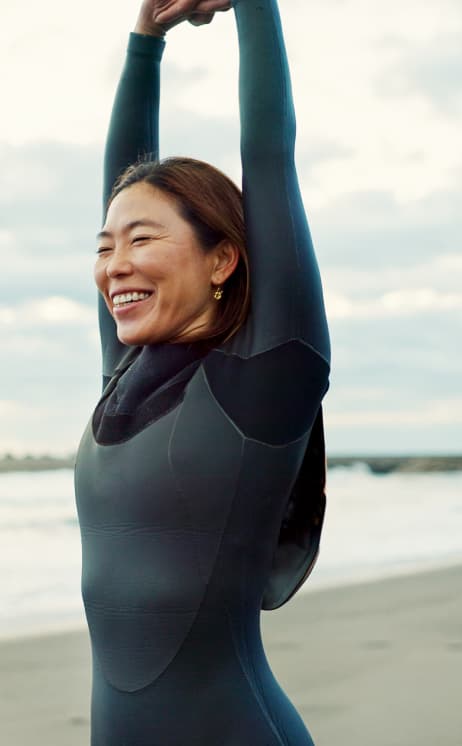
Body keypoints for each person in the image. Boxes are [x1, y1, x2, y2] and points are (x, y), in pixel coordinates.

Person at [74, 0, 331, 743]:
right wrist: (144, 40)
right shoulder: (125, 374)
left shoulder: (265, 377)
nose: (115, 264)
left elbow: (269, 153)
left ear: (222, 258)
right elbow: (121, 181)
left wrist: (253, 5)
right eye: (104, 246)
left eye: (143, 239)